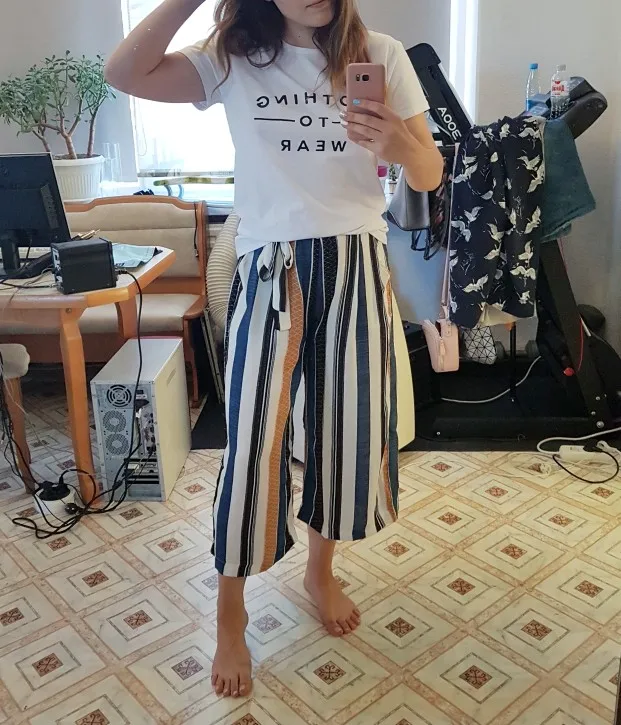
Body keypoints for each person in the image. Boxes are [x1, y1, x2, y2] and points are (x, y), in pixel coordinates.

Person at [106, 0, 443, 699]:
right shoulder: (232, 56)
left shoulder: (378, 53)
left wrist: (398, 144)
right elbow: (125, 72)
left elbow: (429, 174)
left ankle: (320, 571)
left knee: (345, 433)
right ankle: (230, 609)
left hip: (356, 262)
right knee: (253, 439)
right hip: (270, 265)